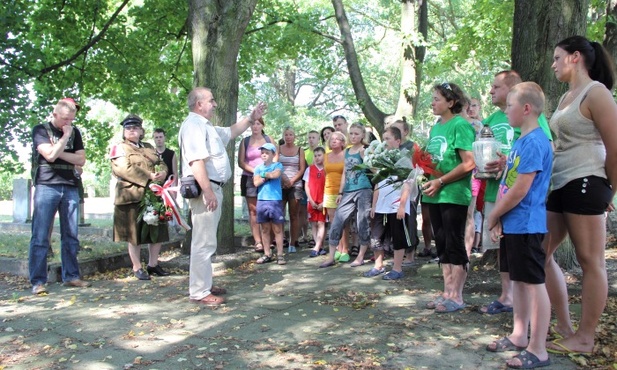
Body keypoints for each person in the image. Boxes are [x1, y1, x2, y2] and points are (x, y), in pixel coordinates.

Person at [544, 36, 617, 356]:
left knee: (591, 262)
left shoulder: (597, 92)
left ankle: (585, 337)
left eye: (558, 57)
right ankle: (564, 327)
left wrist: (610, 189)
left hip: (587, 181)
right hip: (561, 184)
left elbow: (615, 146)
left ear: (575, 57)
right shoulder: (565, 98)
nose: (554, 63)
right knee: (539, 252)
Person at [485, 82, 553, 369]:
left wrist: (493, 215)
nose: (506, 111)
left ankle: (538, 349)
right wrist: (502, 217)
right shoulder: (520, 141)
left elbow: (520, 190)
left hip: (527, 223)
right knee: (519, 282)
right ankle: (519, 335)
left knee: (534, 284)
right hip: (514, 224)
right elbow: (508, 181)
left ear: (526, 109)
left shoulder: (536, 141)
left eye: (509, 106)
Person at [178, 87, 266, 306]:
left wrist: (251, 117)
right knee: (203, 242)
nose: (215, 104)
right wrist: (208, 191)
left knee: (208, 241)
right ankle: (199, 292)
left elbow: (231, 131)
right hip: (205, 190)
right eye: (211, 100)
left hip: (213, 188)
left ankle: (204, 284)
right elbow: (196, 161)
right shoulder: (193, 126)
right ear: (199, 104)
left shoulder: (206, 127)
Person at [422, 82, 475, 313]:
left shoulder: (460, 125)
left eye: (437, 99)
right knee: (441, 244)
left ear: (451, 103)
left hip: (452, 194)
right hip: (434, 195)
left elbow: (470, 163)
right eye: (432, 99)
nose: (432, 103)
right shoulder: (435, 128)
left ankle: (457, 295)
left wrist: (441, 181)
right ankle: (446, 292)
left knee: (454, 243)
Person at [29, 98, 90, 295]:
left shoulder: (76, 131)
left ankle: (71, 276)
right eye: (65, 119)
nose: (68, 124)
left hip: (70, 186)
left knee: (71, 235)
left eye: (71, 120)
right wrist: (64, 141)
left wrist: (58, 152)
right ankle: (38, 281)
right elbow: (50, 156)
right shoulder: (40, 130)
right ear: (55, 114)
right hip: (47, 186)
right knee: (40, 235)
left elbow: (81, 159)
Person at [110, 114, 171, 280]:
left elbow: (161, 161)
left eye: (135, 127)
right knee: (134, 233)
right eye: (128, 128)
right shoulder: (119, 148)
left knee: (157, 230)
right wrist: (149, 176)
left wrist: (163, 172)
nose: (131, 130)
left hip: (153, 194)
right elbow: (123, 169)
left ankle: (153, 265)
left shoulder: (149, 146)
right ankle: (136, 267)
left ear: (141, 131)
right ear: (123, 132)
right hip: (131, 195)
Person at [320, 123, 372, 268]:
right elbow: (344, 173)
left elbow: (372, 169)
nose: (353, 136)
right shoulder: (347, 151)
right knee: (337, 221)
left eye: (356, 134)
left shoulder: (364, 150)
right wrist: (341, 192)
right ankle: (331, 256)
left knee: (363, 222)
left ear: (362, 135)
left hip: (363, 189)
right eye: (352, 133)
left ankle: (361, 256)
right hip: (348, 190)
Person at [366, 126, 412, 280]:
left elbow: (408, 184)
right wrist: (374, 205)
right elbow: (378, 184)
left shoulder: (404, 160)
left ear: (398, 141)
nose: (384, 143)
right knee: (376, 236)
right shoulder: (380, 160)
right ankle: (378, 265)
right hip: (381, 206)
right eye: (383, 139)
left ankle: (397, 268)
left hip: (396, 206)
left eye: (388, 139)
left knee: (398, 237)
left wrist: (402, 205)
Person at [238, 118, 275, 253]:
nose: (255, 126)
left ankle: (268, 241)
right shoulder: (245, 141)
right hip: (250, 178)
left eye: (258, 123)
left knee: (267, 209)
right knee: (253, 211)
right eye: (253, 123)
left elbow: (276, 157)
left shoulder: (268, 139)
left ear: (262, 125)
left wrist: (267, 172)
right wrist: (257, 172)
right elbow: (241, 162)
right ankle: (258, 241)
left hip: (268, 178)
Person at [390, 118, 420, 266]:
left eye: (398, 129)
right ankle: (399, 253)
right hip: (395, 189)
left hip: (411, 187)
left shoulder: (412, 146)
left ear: (406, 131)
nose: (394, 132)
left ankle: (411, 254)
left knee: (410, 219)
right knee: (398, 222)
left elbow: (417, 167)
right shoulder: (391, 148)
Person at [253, 143, 286, 265]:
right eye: (262, 153)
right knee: (265, 229)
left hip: (275, 200)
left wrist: (263, 176)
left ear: (273, 154)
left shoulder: (278, 165)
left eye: (267, 153)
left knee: (277, 229)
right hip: (262, 200)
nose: (264, 155)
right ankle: (267, 254)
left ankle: (280, 255)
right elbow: (256, 183)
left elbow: (276, 175)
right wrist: (267, 175)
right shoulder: (258, 168)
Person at [321, 131, 348, 262]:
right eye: (332, 139)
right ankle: (337, 248)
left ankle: (345, 249)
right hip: (329, 191)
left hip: (343, 191)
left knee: (343, 220)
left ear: (343, 142)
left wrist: (342, 192)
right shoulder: (326, 156)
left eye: (338, 139)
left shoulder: (346, 154)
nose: (334, 140)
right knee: (333, 222)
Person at [279, 126, 306, 253]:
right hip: (280, 184)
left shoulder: (300, 150)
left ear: (294, 137)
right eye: (286, 134)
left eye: (290, 134)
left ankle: (292, 242)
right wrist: (284, 179)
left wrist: (291, 181)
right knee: (279, 214)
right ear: (283, 136)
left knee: (294, 214)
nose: (288, 137)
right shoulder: (278, 149)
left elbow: (302, 169)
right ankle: (280, 241)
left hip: (295, 185)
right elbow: (275, 165)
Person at [304, 146, 327, 257]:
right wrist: (311, 200)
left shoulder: (327, 169)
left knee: (321, 223)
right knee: (313, 223)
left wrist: (324, 202)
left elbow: (329, 186)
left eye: (319, 155)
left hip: (323, 201)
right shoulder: (309, 169)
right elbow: (306, 186)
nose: (317, 158)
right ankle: (319, 246)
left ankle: (317, 247)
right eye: (315, 156)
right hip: (312, 200)